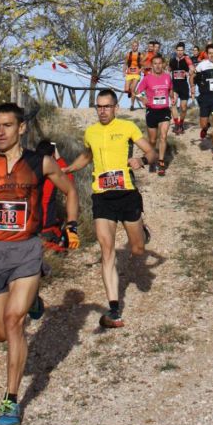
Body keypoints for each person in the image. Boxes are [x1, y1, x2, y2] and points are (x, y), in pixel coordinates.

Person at [0, 102, 80, 425]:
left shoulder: (40, 162)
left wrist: (71, 226)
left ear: (21, 128)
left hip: (26, 250)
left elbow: (70, 191)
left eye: (7, 125)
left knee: (14, 322)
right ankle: (35, 301)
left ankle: (11, 400)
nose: (0, 132)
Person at [64, 89, 157, 330]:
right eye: (99, 107)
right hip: (102, 197)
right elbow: (86, 156)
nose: (102, 110)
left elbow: (151, 151)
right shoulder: (91, 132)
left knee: (137, 250)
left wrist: (142, 161)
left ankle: (141, 230)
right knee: (107, 250)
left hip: (127, 194)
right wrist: (67, 170)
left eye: (107, 106)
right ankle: (114, 309)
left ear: (115, 107)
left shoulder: (127, 127)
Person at [135, 55, 173, 176]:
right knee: (152, 140)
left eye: (159, 63)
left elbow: (170, 90)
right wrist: (142, 99)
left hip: (164, 111)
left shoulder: (167, 77)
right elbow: (137, 91)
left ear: (163, 65)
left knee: (163, 136)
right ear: (152, 66)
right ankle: (150, 156)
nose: (157, 66)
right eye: (155, 63)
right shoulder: (147, 78)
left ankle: (161, 162)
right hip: (152, 111)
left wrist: (173, 96)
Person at [36, 140, 75, 252]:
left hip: (29, 227)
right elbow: (70, 187)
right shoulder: (53, 174)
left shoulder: (28, 168)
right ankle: (54, 246)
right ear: (52, 155)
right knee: (65, 243)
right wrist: (58, 159)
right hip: (47, 228)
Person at [168, 42, 194, 135]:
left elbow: (192, 69)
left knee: (183, 108)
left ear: (184, 51)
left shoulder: (187, 59)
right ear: (176, 50)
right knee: (173, 105)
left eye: (181, 50)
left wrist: (189, 73)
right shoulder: (172, 60)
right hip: (174, 85)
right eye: (178, 50)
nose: (180, 52)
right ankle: (176, 124)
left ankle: (181, 124)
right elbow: (168, 70)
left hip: (183, 86)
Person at [123, 41, 143, 111]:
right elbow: (125, 63)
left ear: (138, 46)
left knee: (133, 89)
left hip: (136, 74)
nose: (134, 47)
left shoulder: (140, 55)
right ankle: (133, 94)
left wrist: (140, 70)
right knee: (126, 89)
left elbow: (143, 65)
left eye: (136, 46)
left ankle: (132, 105)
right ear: (131, 46)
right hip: (129, 73)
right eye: (133, 46)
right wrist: (123, 72)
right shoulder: (128, 54)